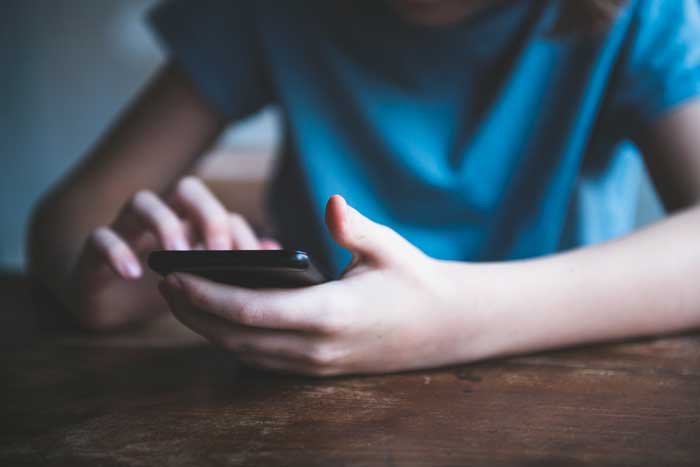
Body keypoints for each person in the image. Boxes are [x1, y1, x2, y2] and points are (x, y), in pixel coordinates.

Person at [28, 0, 700, 376]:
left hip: (567, 391)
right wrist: (104, 279)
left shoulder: (643, 12)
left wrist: (454, 319)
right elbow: (67, 219)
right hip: (296, 401)